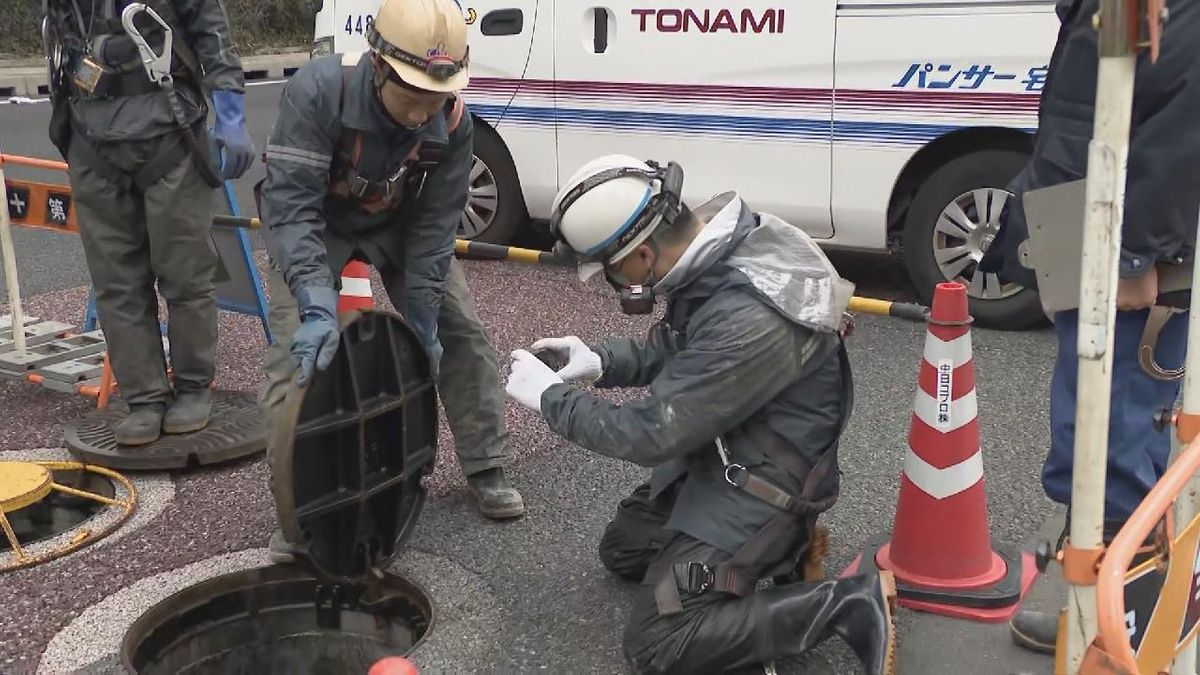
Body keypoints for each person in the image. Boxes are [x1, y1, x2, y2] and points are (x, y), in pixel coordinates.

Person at [503, 154, 897, 674]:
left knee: (657, 642)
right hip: (728, 447)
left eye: (611, 273)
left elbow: (651, 434)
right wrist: (600, 360)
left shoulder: (746, 315)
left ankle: (845, 604)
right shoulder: (721, 248)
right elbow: (685, 348)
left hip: (764, 484)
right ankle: (760, 563)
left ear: (642, 254)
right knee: (624, 550)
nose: (610, 285)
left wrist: (553, 400)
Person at [255, 0, 524, 548]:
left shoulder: (452, 120)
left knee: (461, 334)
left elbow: (433, 231)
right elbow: (291, 208)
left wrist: (423, 318)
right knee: (297, 356)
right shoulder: (318, 92)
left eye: (437, 96)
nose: (425, 112)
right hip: (318, 225)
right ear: (379, 67)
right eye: (413, 96)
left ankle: (485, 464)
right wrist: (313, 302)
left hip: (397, 225)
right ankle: (301, 507)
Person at [977, 0, 1200, 654]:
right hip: (1083, 213)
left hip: (1118, 232)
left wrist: (1133, 253)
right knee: (1094, 426)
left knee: (1112, 436)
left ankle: (1119, 625)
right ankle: (1113, 600)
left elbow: (1185, 122)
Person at [41, 0, 255, 445]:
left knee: (185, 273)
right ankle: (145, 398)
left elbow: (211, 30)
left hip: (170, 132)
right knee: (117, 282)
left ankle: (194, 386)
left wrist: (231, 111)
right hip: (90, 138)